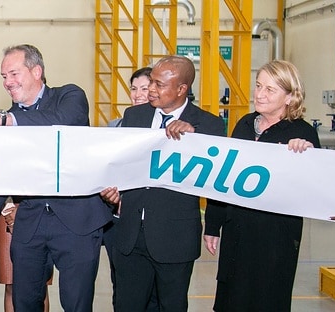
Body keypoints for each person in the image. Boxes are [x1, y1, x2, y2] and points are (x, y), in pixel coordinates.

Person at [0, 44, 112, 311]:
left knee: (76, 304)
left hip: (76, 223)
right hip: (30, 222)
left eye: (13, 74)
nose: (7, 82)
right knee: (24, 303)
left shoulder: (69, 96)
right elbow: (8, 169)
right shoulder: (11, 118)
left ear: (36, 71)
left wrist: (5, 120)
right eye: (3, 77)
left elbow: (62, 120)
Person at [100, 55, 226, 311]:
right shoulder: (134, 116)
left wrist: (195, 139)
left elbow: (216, 181)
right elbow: (121, 165)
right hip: (130, 238)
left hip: (175, 240)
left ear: (182, 89)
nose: (151, 90)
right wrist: (114, 193)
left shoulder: (208, 125)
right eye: (151, 83)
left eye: (159, 84)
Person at [203, 60, 320, 311]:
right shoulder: (244, 124)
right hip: (237, 233)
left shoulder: (302, 133)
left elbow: (314, 188)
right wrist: (213, 225)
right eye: (258, 86)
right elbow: (225, 178)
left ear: (290, 97)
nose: (259, 94)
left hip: (274, 239)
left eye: (270, 89)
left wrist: (308, 155)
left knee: (267, 300)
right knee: (229, 301)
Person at [103, 66, 157, 311]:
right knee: (122, 291)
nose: (137, 94)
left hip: (152, 226)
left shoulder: (165, 130)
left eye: (144, 88)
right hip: (119, 223)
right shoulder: (115, 126)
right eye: (134, 89)